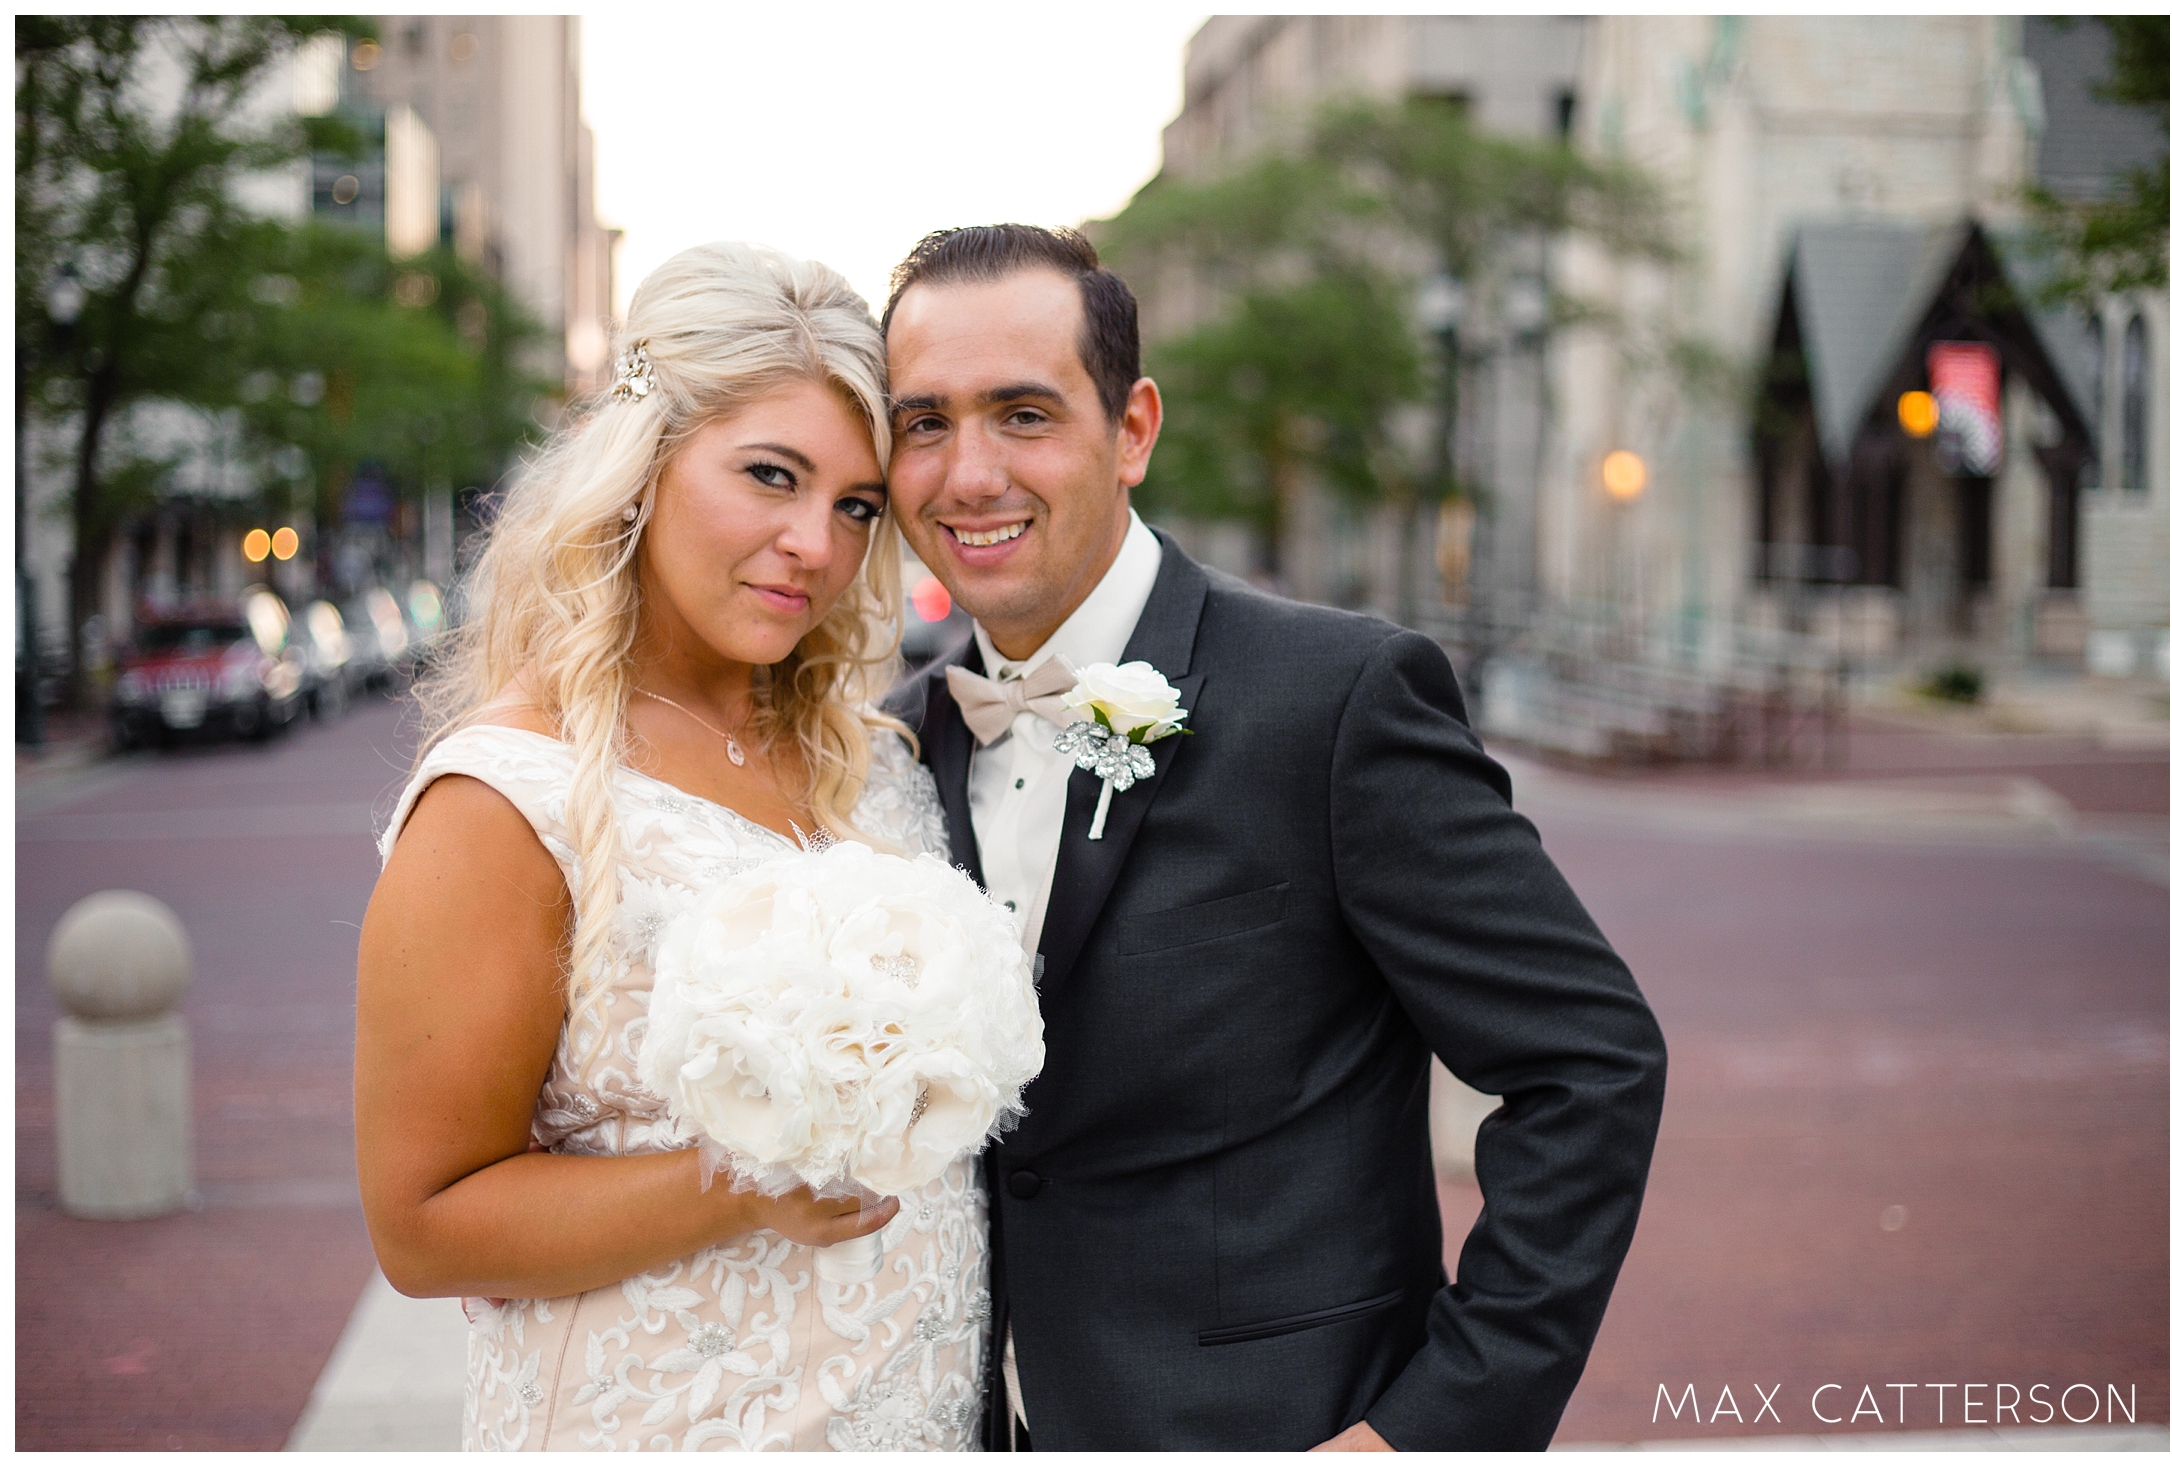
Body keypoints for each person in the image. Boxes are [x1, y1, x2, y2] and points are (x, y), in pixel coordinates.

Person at [882, 224, 1668, 1451]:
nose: (967, 473)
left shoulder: (1338, 699)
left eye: (1023, 414)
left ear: (1132, 427)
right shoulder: (895, 746)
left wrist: (1427, 1432)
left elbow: (1590, 1064)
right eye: (924, 422)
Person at [355, 242, 990, 1451]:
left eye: (856, 506)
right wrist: (745, 1186)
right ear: (643, 465)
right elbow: (422, 1225)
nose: (817, 543)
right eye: (769, 475)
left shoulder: (881, 765)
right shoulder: (510, 794)